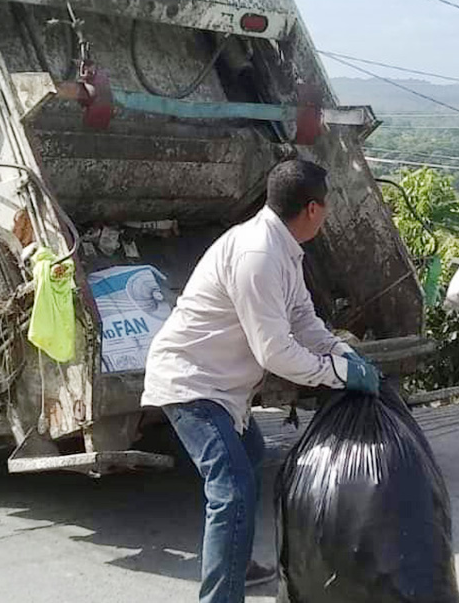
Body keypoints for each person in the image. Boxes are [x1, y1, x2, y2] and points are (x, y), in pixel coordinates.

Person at [141, 159, 380, 602]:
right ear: (312, 209)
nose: (326, 213)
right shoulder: (259, 255)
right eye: (326, 205)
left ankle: (236, 560)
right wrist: (338, 374)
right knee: (231, 490)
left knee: (249, 459)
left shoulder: (283, 249)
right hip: (192, 383)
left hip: (223, 386)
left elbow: (303, 319)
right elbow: (275, 352)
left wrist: (342, 352)